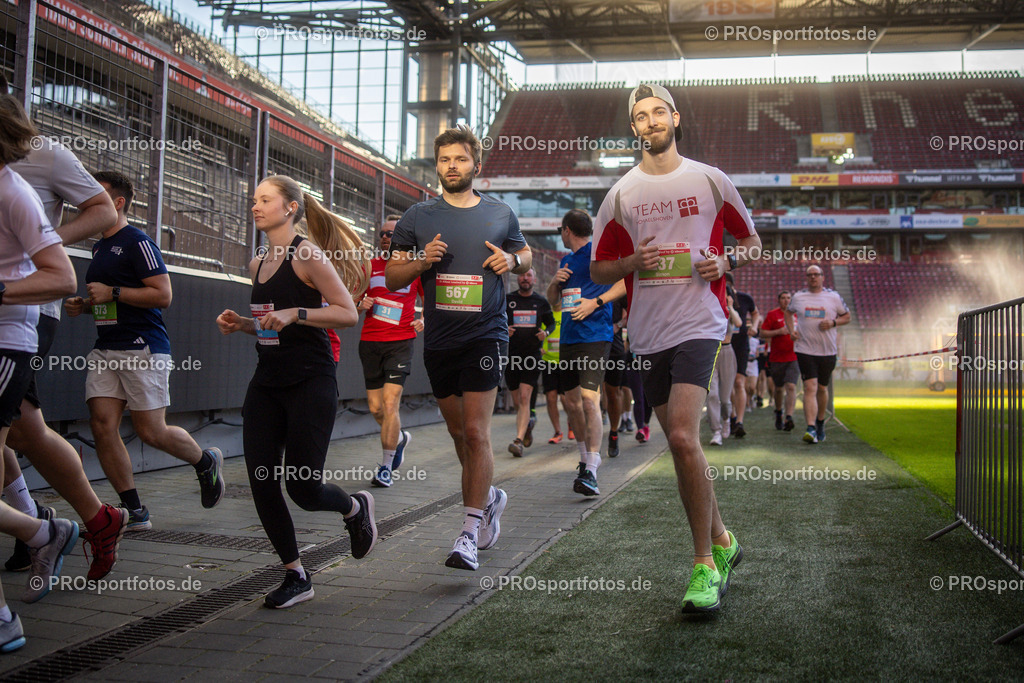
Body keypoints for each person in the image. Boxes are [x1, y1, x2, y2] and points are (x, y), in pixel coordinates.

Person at [590, 84, 761, 612]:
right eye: (641, 116)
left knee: (685, 436)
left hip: (700, 324)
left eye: (658, 112)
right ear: (634, 127)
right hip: (647, 334)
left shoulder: (710, 180)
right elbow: (598, 269)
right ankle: (725, 539)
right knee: (682, 447)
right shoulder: (620, 194)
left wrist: (727, 262)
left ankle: (704, 565)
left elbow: (753, 243)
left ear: (675, 118)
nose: (651, 121)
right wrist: (629, 264)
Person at [216, 175, 377, 608]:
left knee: (303, 489)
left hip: (310, 380)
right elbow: (272, 323)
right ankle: (296, 574)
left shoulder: (307, 254)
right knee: (262, 481)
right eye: (254, 199)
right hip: (267, 382)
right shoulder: (257, 262)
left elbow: (347, 313)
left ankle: (354, 509)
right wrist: (244, 324)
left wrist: (296, 313)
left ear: (290, 207)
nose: (256, 206)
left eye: (265, 199)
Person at [0, 74, 126, 581]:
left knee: (18, 428)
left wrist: (45, 240)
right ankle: (55, 523)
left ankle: (43, 527)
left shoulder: (44, 154)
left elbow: (101, 209)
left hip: (27, 311)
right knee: (21, 428)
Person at [386, 125, 529, 571]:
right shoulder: (417, 217)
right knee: (457, 434)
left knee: (476, 432)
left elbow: (525, 257)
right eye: (445, 159)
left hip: (486, 334)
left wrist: (512, 260)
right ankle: (489, 498)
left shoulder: (500, 213)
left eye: (460, 159)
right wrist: (420, 261)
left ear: (476, 165)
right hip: (440, 339)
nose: (452, 166)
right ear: (437, 166)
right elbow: (392, 277)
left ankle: (468, 532)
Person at [64, 172, 225, 530]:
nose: (87, 201)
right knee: (102, 425)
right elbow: (110, 301)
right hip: (106, 348)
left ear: (118, 202)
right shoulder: (99, 247)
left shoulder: (138, 241)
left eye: (97, 194)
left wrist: (113, 292)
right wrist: (86, 306)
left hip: (143, 348)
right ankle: (134, 509)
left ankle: (205, 462)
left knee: (151, 431)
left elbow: (163, 295)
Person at [0, 94, 86, 651]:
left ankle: (43, 531)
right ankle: (38, 529)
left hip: (5, 345)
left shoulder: (14, 191)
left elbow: (60, 277)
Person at [546, 209, 626, 495]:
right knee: (571, 403)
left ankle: (592, 467)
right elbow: (553, 302)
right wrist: (554, 282)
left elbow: (625, 281)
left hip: (595, 337)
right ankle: (584, 459)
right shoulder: (566, 260)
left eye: (561, 231)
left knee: (590, 401)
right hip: (568, 338)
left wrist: (597, 302)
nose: (562, 235)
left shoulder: (599, 253)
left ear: (567, 230)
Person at [357, 215, 423, 487]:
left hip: (400, 341)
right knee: (375, 408)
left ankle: (385, 467)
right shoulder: (368, 267)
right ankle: (400, 438)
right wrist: (360, 303)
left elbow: (430, 301)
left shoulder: (414, 268)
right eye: (382, 233)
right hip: (370, 342)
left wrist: (424, 319)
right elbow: (349, 301)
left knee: (389, 403)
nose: (386, 238)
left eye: (391, 234)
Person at [785, 266, 850, 444]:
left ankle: (820, 421)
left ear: (822, 277)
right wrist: (791, 331)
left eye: (816, 275)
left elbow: (847, 317)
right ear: (806, 278)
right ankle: (811, 427)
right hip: (805, 349)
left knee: (822, 388)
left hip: (827, 351)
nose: (813, 277)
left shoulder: (833, 297)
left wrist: (833, 323)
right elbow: (788, 313)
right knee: (810, 387)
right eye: (810, 275)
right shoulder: (799, 297)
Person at [505, 268, 555, 456]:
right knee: (517, 402)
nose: (525, 278)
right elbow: (496, 319)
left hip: (532, 356)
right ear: (517, 278)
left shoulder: (541, 302)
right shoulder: (508, 300)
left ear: (534, 279)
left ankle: (518, 441)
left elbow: (551, 323)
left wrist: (546, 333)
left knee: (525, 398)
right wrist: (504, 328)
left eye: (528, 275)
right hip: (511, 356)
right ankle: (526, 427)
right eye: (522, 275)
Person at [759, 290, 798, 432]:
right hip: (776, 357)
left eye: (788, 298)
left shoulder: (797, 315)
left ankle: (789, 417)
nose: (786, 300)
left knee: (791, 386)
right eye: (783, 298)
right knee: (779, 388)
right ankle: (779, 412)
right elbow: (762, 333)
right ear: (779, 300)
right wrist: (778, 332)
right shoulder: (773, 314)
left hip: (794, 356)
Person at [707, 289, 742, 446]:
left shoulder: (730, 312)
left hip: (727, 352)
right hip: (711, 352)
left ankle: (727, 419)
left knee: (725, 398)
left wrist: (730, 307)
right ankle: (716, 431)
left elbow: (739, 323)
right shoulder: (710, 307)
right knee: (712, 394)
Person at [725, 272, 758, 438]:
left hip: (741, 345)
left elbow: (755, 313)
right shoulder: (715, 298)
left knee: (739, 382)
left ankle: (739, 421)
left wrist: (755, 326)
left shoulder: (745, 298)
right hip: (724, 345)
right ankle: (731, 416)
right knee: (728, 384)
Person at [603, 298, 631, 457]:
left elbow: (631, 312)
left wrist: (618, 325)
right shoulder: (588, 285)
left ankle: (613, 432)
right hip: (591, 344)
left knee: (613, 393)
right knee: (591, 394)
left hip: (614, 348)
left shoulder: (618, 289)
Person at [538, 307, 567, 443]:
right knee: (551, 398)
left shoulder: (567, 313)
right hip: (548, 361)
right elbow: (536, 332)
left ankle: (572, 422)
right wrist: (539, 347)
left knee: (566, 399)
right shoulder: (546, 314)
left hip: (565, 361)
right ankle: (557, 431)